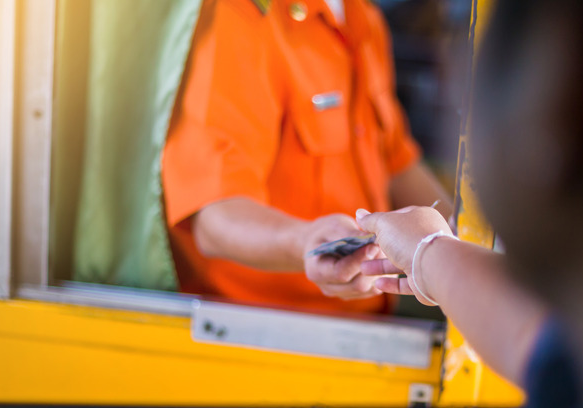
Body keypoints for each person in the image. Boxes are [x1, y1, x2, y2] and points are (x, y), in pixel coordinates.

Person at [357, 0, 583, 408]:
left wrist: (430, 254)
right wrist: (429, 254)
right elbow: (533, 342)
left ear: (565, 82)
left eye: (459, 37)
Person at [161, 0, 451, 314]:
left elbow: (398, 164)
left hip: (364, 323)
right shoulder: (239, 14)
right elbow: (215, 217)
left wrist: (470, 244)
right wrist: (306, 241)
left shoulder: (362, 18)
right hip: (260, 330)